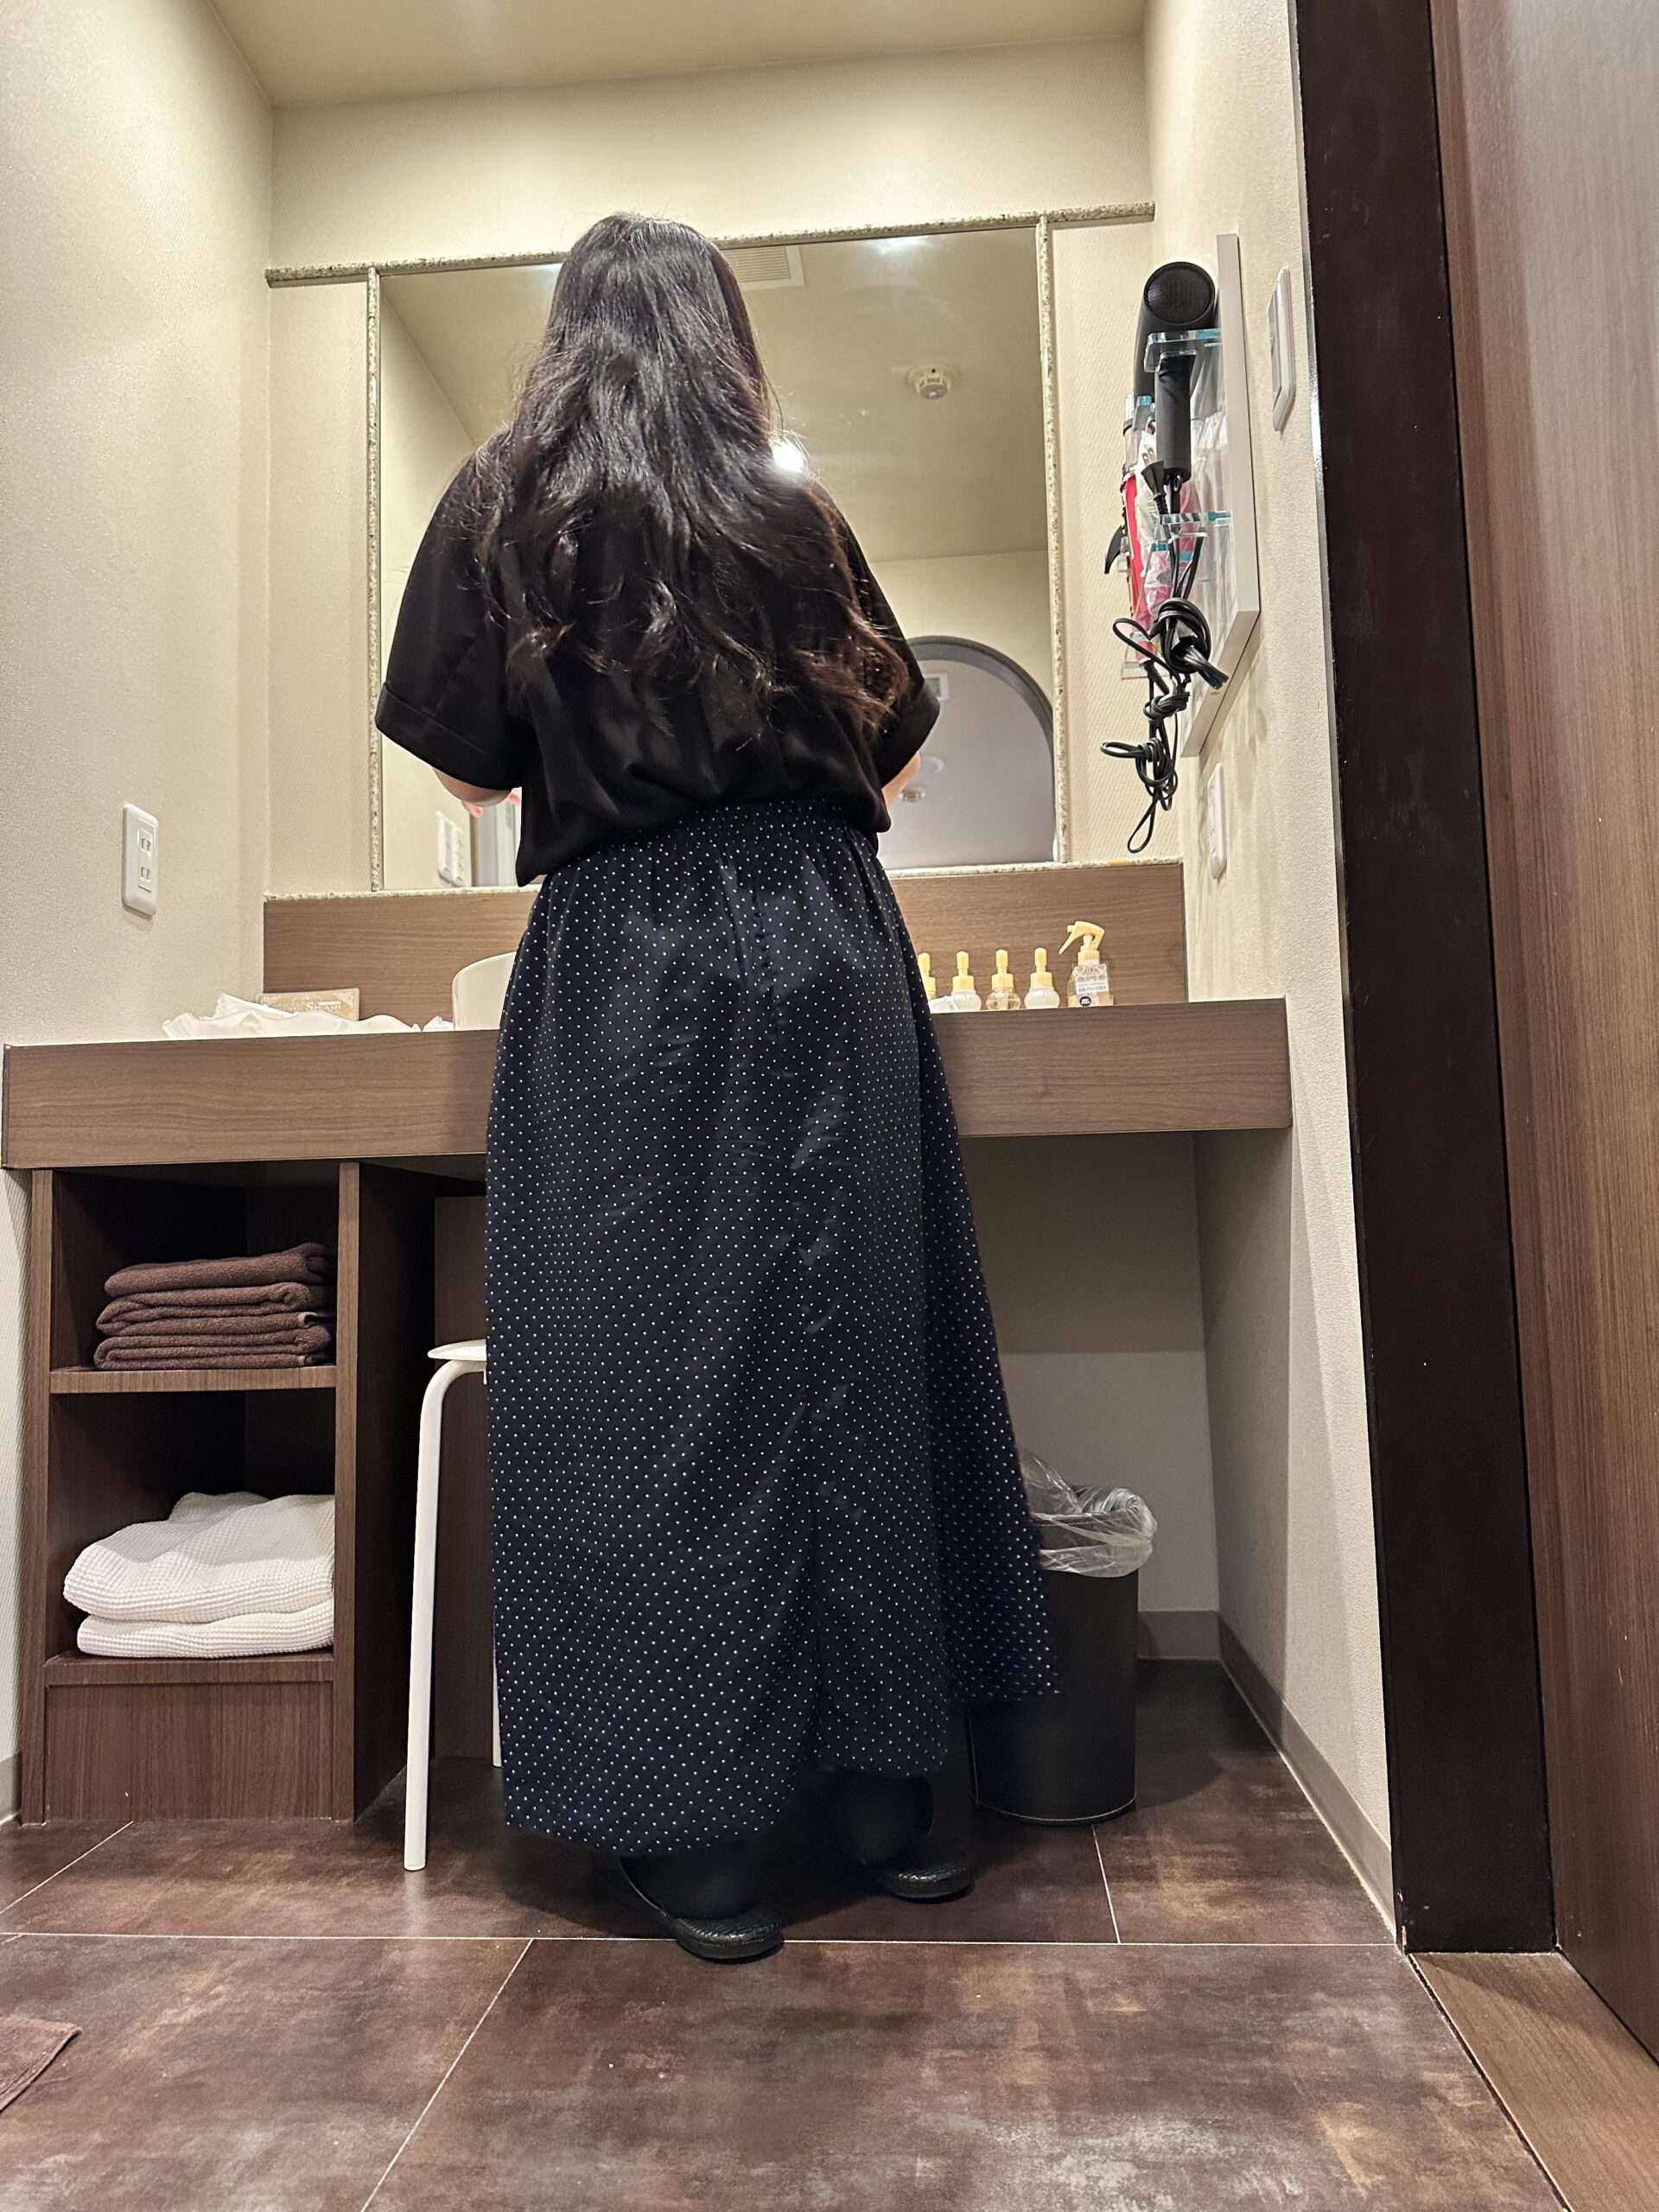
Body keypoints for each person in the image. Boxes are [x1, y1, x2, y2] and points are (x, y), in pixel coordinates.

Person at [377, 212, 1052, 1964]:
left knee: (646, 1383)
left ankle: (697, 1835)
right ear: (724, 339)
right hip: (828, 940)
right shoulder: (790, 511)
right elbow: (892, 766)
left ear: (566, 340)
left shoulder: (505, 501)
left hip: (629, 958)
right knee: (860, 1349)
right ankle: (892, 1799)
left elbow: (464, 777)